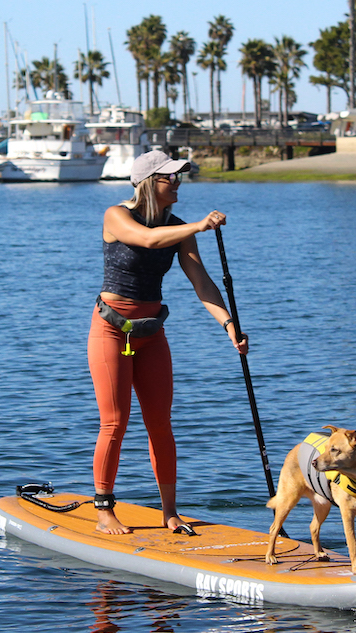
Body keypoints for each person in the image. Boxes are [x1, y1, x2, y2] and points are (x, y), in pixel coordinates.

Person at [88, 150, 248, 535]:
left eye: (179, 177)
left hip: (151, 333)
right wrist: (197, 226)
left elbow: (203, 283)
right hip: (112, 330)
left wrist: (229, 324)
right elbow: (147, 238)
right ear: (148, 183)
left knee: (161, 425)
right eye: (170, 178)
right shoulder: (117, 216)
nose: (177, 183)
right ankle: (104, 509)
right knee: (115, 423)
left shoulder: (179, 229)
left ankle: (170, 512)